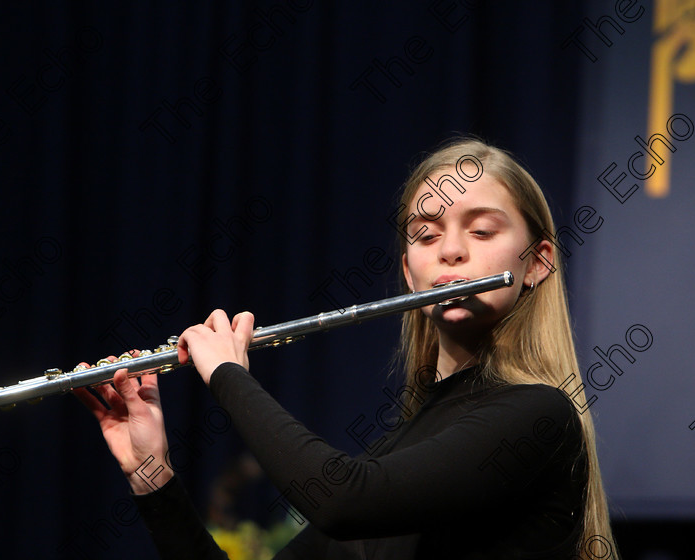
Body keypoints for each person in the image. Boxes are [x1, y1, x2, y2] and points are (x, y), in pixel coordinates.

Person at [73, 138, 618, 559]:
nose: (450, 251)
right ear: (410, 272)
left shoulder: (539, 416)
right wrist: (152, 474)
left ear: (538, 262)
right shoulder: (401, 450)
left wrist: (229, 376)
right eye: (426, 235)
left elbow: (344, 501)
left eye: (480, 232)